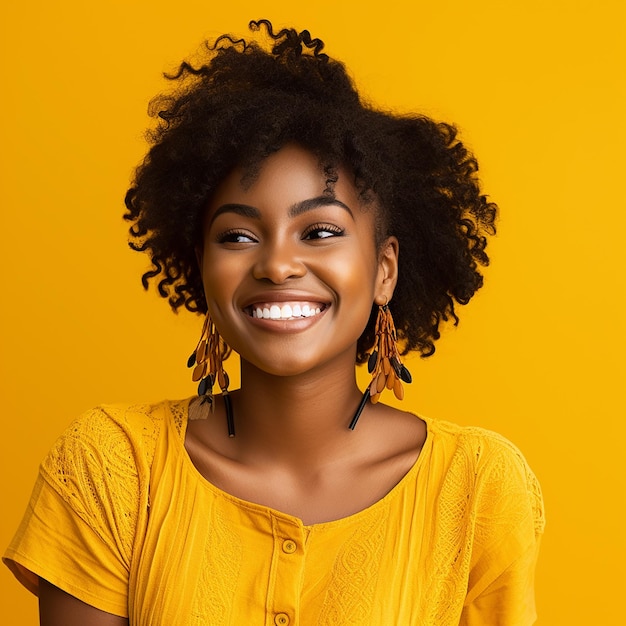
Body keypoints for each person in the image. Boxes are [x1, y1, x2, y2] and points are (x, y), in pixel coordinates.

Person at [3, 19, 544, 625]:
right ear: (202, 269)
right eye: (237, 235)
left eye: (320, 232)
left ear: (384, 269)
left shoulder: (477, 489)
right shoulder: (112, 466)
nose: (278, 264)